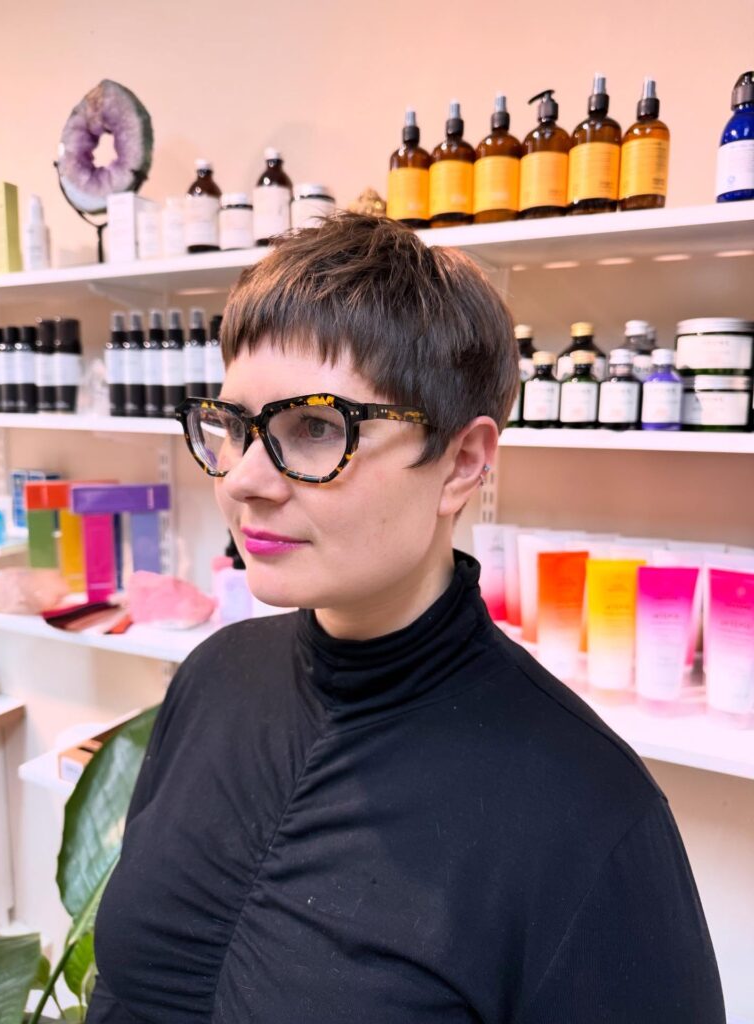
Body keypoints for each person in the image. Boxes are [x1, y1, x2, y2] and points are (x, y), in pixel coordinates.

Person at [88, 214, 725, 1023]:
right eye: (238, 426)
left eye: (314, 428)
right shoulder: (215, 677)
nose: (246, 478)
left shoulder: (588, 814)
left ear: (462, 462)